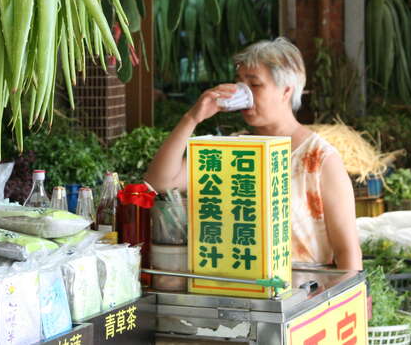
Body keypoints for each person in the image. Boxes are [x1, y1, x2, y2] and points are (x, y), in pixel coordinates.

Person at [144, 37, 363, 271]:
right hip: (234, 286)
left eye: (255, 85)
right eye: (239, 83)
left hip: (302, 295)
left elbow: (347, 250)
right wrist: (192, 118)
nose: (244, 92)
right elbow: (159, 182)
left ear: (286, 90)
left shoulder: (318, 158)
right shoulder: (232, 149)